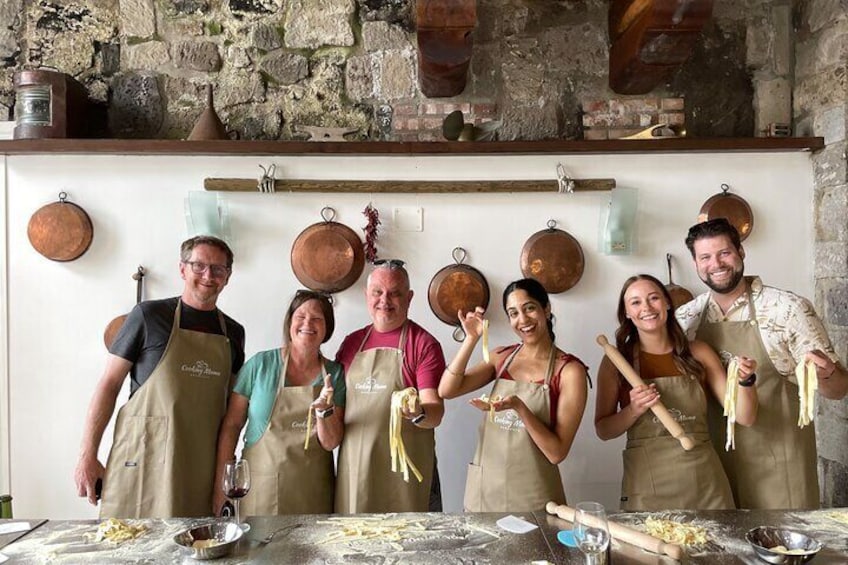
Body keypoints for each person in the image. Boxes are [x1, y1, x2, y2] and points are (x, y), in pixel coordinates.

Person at [677, 218, 848, 509]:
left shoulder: (788, 309)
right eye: (705, 257)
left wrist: (827, 372)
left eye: (724, 253)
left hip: (780, 467)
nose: (716, 264)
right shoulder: (686, 319)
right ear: (695, 263)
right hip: (715, 468)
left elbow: (838, 390)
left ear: (741, 252)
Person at [73, 235, 245, 518]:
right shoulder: (148, 316)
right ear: (182, 269)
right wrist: (87, 456)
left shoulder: (234, 333)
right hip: (144, 458)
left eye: (218, 269)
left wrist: (223, 480)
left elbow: (231, 414)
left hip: (199, 462)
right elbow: (109, 384)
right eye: (199, 266)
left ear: (227, 277)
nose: (208, 275)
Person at [595, 274, 758, 511]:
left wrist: (746, 381)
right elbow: (603, 430)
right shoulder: (617, 362)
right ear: (627, 312)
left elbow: (745, 416)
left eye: (654, 298)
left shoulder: (698, 353)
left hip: (703, 482)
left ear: (668, 303)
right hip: (647, 483)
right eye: (636, 302)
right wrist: (633, 410)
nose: (647, 308)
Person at [438, 278, 589, 512]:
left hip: (535, 496)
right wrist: (471, 339)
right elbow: (447, 390)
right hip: (485, 492)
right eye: (513, 313)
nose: (523, 320)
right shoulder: (501, 357)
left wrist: (519, 408)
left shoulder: (569, 371)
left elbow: (556, 453)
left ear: (546, 309)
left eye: (529, 308)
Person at [213, 290, 345, 516]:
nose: (308, 323)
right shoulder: (259, 365)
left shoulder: (335, 374)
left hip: (314, 493)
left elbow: (331, 442)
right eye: (300, 316)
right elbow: (231, 426)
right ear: (290, 323)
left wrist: (324, 412)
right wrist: (221, 488)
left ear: (327, 328)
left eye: (317, 319)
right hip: (259, 490)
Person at [334, 259, 446, 513]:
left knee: (412, 545)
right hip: (358, 467)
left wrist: (418, 413)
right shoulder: (351, 344)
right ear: (367, 296)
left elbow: (435, 411)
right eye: (378, 292)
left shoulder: (423, 344)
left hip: (406, 473)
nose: (385, 300)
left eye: (395, 293)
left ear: (409, 298)